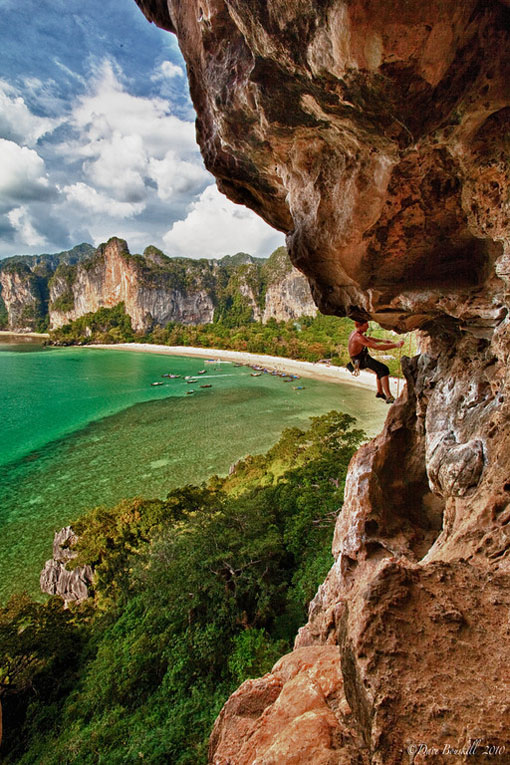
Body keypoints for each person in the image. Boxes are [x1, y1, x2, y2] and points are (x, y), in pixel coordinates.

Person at [347, 320, 404, 404]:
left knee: (379, 369)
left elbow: (368, 339)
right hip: (361, 360)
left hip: (358, 359)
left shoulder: (355, 333)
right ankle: (389, 397)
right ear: (361, 325)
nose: (368, 327)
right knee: (384, 369)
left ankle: (380, 392)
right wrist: (396, 345)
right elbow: (377, 347)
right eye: (366, 325)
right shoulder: (358, 337)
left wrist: (383, 340)